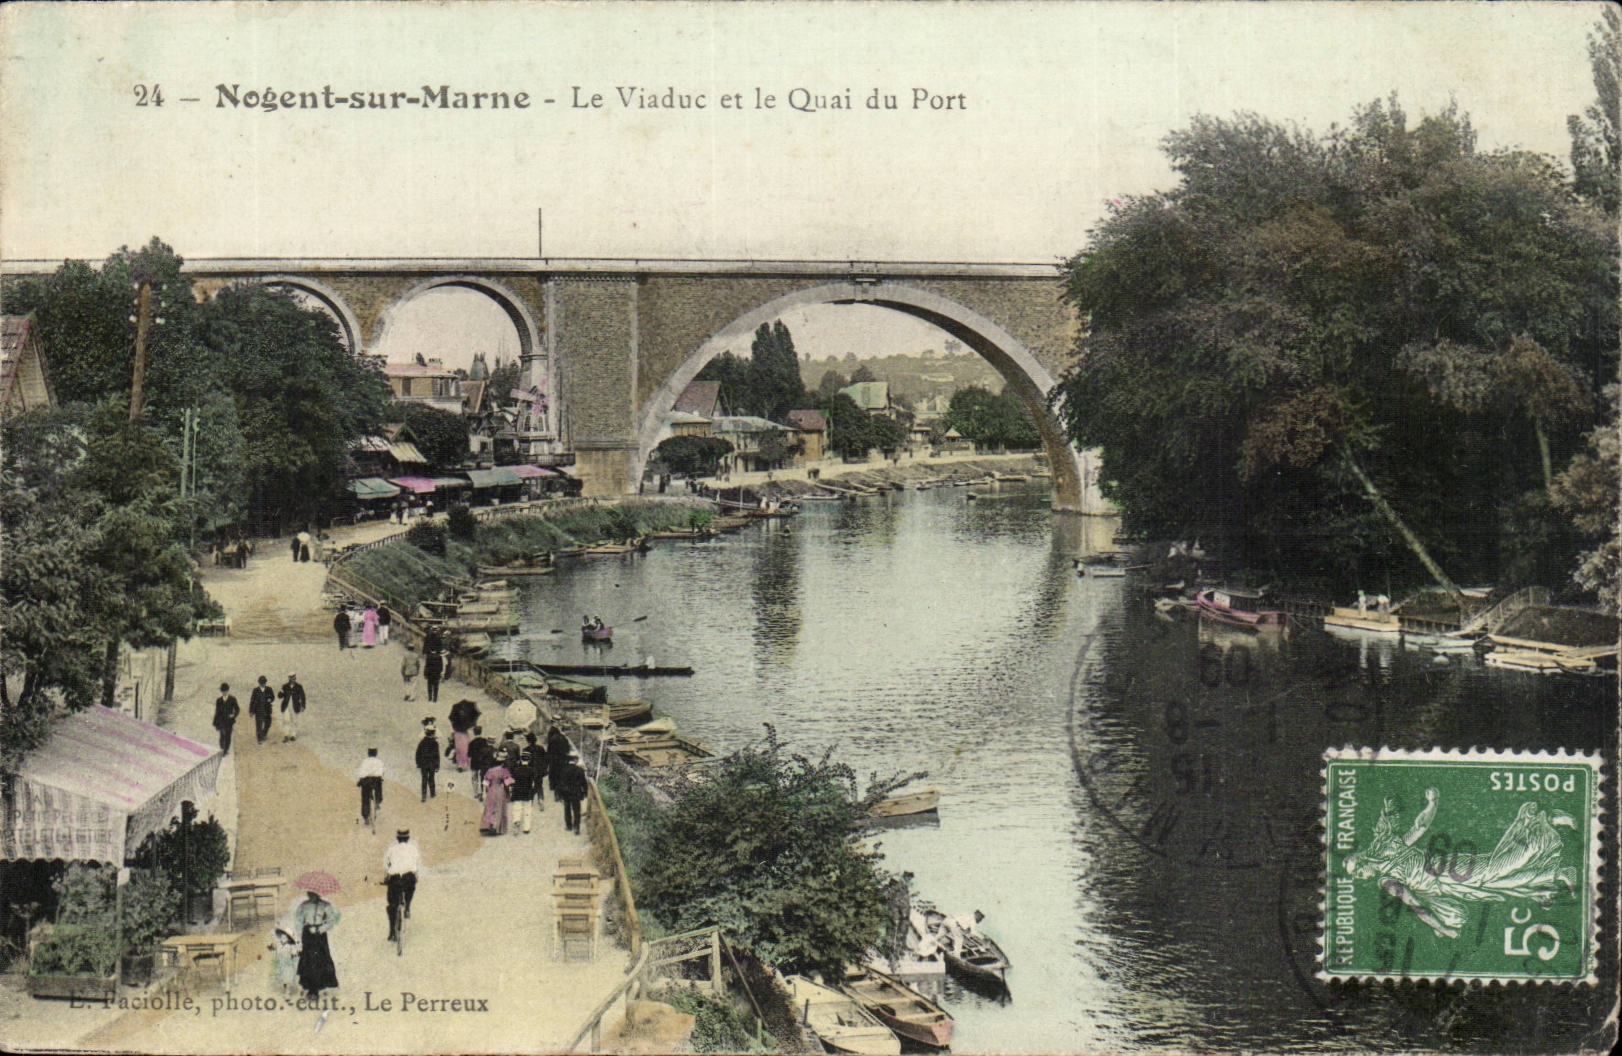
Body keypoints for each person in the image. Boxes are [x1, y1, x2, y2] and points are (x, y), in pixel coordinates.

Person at [294, 889, 340, 999]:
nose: (310, 896)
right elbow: (298, 922)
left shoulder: (325, 906)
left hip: (320, 936)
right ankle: (311, 989)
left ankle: (318, 987)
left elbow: (331, 921)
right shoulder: (303, 906)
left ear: (318, 893)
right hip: (307, 935)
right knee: (309, 960)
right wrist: (299, 938)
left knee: (320, 960)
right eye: (309, 894)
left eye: (313, 894)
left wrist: (320, 929)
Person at [383, 829, 422, 940]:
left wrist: (386, 877)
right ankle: (407, 907)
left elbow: (386, 865)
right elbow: (417, 864)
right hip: (408, 877)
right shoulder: (413, 849)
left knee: (392, 905)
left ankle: (392, 931)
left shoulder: (391, 849)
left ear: (397, 839)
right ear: (408, 838)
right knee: (411, 889)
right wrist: (416, 876)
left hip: (395, 879)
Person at [269, 908, 302, 998]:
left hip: (288, 965)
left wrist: (297, 951)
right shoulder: (279, 944)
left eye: (285, 937)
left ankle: (287, 992)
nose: (283, 939)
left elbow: (295, 952)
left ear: (288, 939)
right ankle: (285, 989)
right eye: (282, 937)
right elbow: (273, 947)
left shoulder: (290, 946)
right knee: (283, 978)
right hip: (280, 964)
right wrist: (270, 946)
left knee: (288, 978)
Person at [509, 739, 538, 835]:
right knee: (527, 810)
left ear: (521, 760)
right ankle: (526, 828)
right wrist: (533, 792)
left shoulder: (515, 770)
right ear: (529, 760)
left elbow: (512, 781)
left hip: (517, 792)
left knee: (517, 809)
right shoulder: (532, 770)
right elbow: (534, 783)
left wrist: (511, 790)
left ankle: (516, 822)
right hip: (527, 793)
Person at [555, 750, 589, 835]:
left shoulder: (563, 769)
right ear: (575, 760)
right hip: (576, 792)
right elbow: (584, 783)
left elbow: (559, 782)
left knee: (567, 808)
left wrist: (559, 794)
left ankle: (569, 826)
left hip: (566, 792)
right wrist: (585, 792)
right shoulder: (579, 770)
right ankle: (576, 827)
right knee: (576, 810)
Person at [480, 757, 514, 835]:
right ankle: (496, 826)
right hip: (500, 790)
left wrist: (484, 793)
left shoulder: (490, 770)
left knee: (490, 807)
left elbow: (486, 783)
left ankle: (487, 825)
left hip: (491, 790)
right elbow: (508, 783)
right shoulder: (504, 770)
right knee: (499, 807)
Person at [355, 747, 384, 825]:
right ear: (376, 753)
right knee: (379, 788)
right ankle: (378, 801)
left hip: (366, 781)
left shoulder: (365, 761)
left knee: (365, 798)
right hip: (376, 780)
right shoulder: (379, 761)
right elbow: (382, 772)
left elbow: (361, 773)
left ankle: (366, 817)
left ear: (368, 753)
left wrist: (360, 781)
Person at [414, 718, 441, 801]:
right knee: (431, 778)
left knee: (424, 779)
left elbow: (418, 753)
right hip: (432, 764)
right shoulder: (435, 743)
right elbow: (437, 755)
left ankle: (424, 795)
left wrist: (418, 763)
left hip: (424, 763)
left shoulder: (422, 742)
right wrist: (437, 765)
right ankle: (432, 794)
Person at [545, 725, 572, 802]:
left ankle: (557, 795)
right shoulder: (564, 739)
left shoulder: (553, 738)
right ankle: (561, 796)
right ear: (566, 731)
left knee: (555, 777)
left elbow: (549, 751)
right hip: (561, 761)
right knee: (561, 778)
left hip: (553, 762)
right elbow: (567, 751)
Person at [212, 683, 240, 753]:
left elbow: (237, 709)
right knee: (222, 735)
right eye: (222, 691)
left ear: (228, 690)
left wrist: (233, 715)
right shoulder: (219, 700)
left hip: (229, 721)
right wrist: (215, 722)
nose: (224, 692)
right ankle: (222, 748)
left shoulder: (232, 699)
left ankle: (226, 750)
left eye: (225, 691)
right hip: (221, 721)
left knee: (228, 736)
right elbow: (217, 712)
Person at [468, 726, 495, 801]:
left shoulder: (471, 743)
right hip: (483, 762)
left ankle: (476, 793)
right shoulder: (484, 741)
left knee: (474, 777)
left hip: (474, 762)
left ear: (474, 733)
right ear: (481, 732)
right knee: (483, 777)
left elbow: (469, 755)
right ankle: (482, 791)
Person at [278, 674, 306, 742]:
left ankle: (293, 735)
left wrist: (303, 706)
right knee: (286, 720)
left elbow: (302, 696)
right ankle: (286, 735)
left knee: (294, 721)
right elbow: (279, 696)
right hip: (286, 706)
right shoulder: (285, 686)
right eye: (291, 678)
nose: (293, 680)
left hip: (295, 706)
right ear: (289, 679)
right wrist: (281, 692)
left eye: (294, 678)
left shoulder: (299, 687)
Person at [248, 676, 275, 745]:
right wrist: (251, 711)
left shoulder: (269, 689)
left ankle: (264, 734)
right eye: (261, 683)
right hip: (258, 710)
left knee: (268, 723)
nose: (262, 684)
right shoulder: (255, 690)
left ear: (266, 682)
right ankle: (259, 738)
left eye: (264, 682)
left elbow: (273, 697)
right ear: (259, 683)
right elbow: (252, 700)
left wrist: (270, 699)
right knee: (259, 725)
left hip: (267, 710)